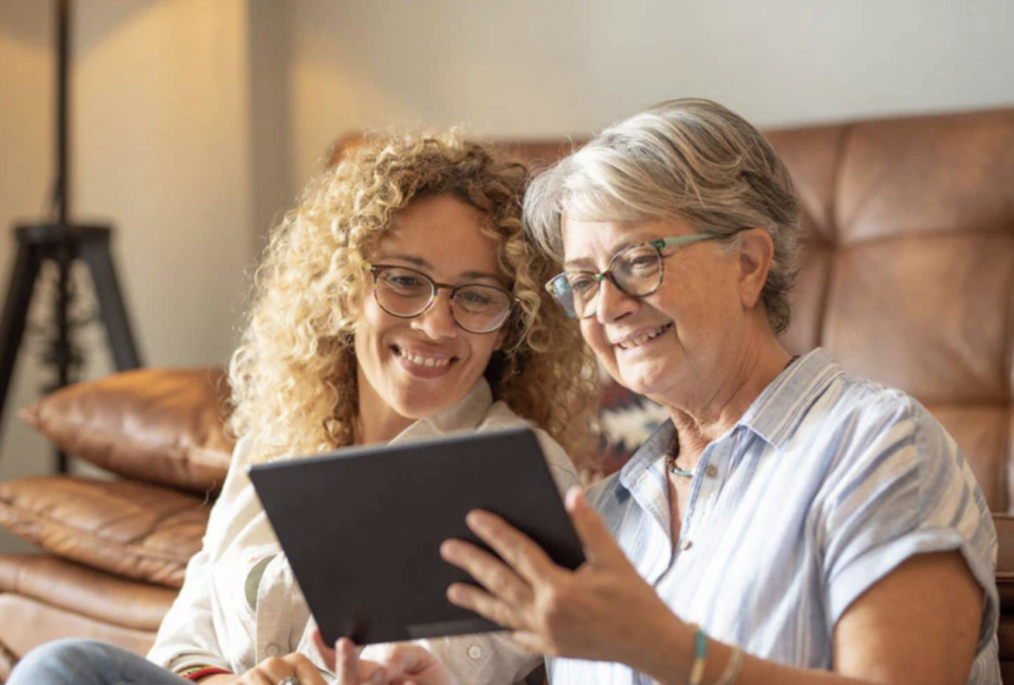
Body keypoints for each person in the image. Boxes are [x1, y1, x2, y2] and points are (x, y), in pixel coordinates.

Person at [333, 99, 1001, 685]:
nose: (606, 306)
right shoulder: (603, 515)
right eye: (583, 279)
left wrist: (662, 647)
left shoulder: (877, 447)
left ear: (748, 264)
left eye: (638, 261)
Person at [6, 131, 596, 685]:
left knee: (62, 666)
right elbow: (183, 641)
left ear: (510, 325)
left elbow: (465, 659)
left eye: (474, 296)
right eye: (403, 280)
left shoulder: (517, 469)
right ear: (345, 290)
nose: (434, 324)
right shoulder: (275, 440)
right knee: (61, 668)